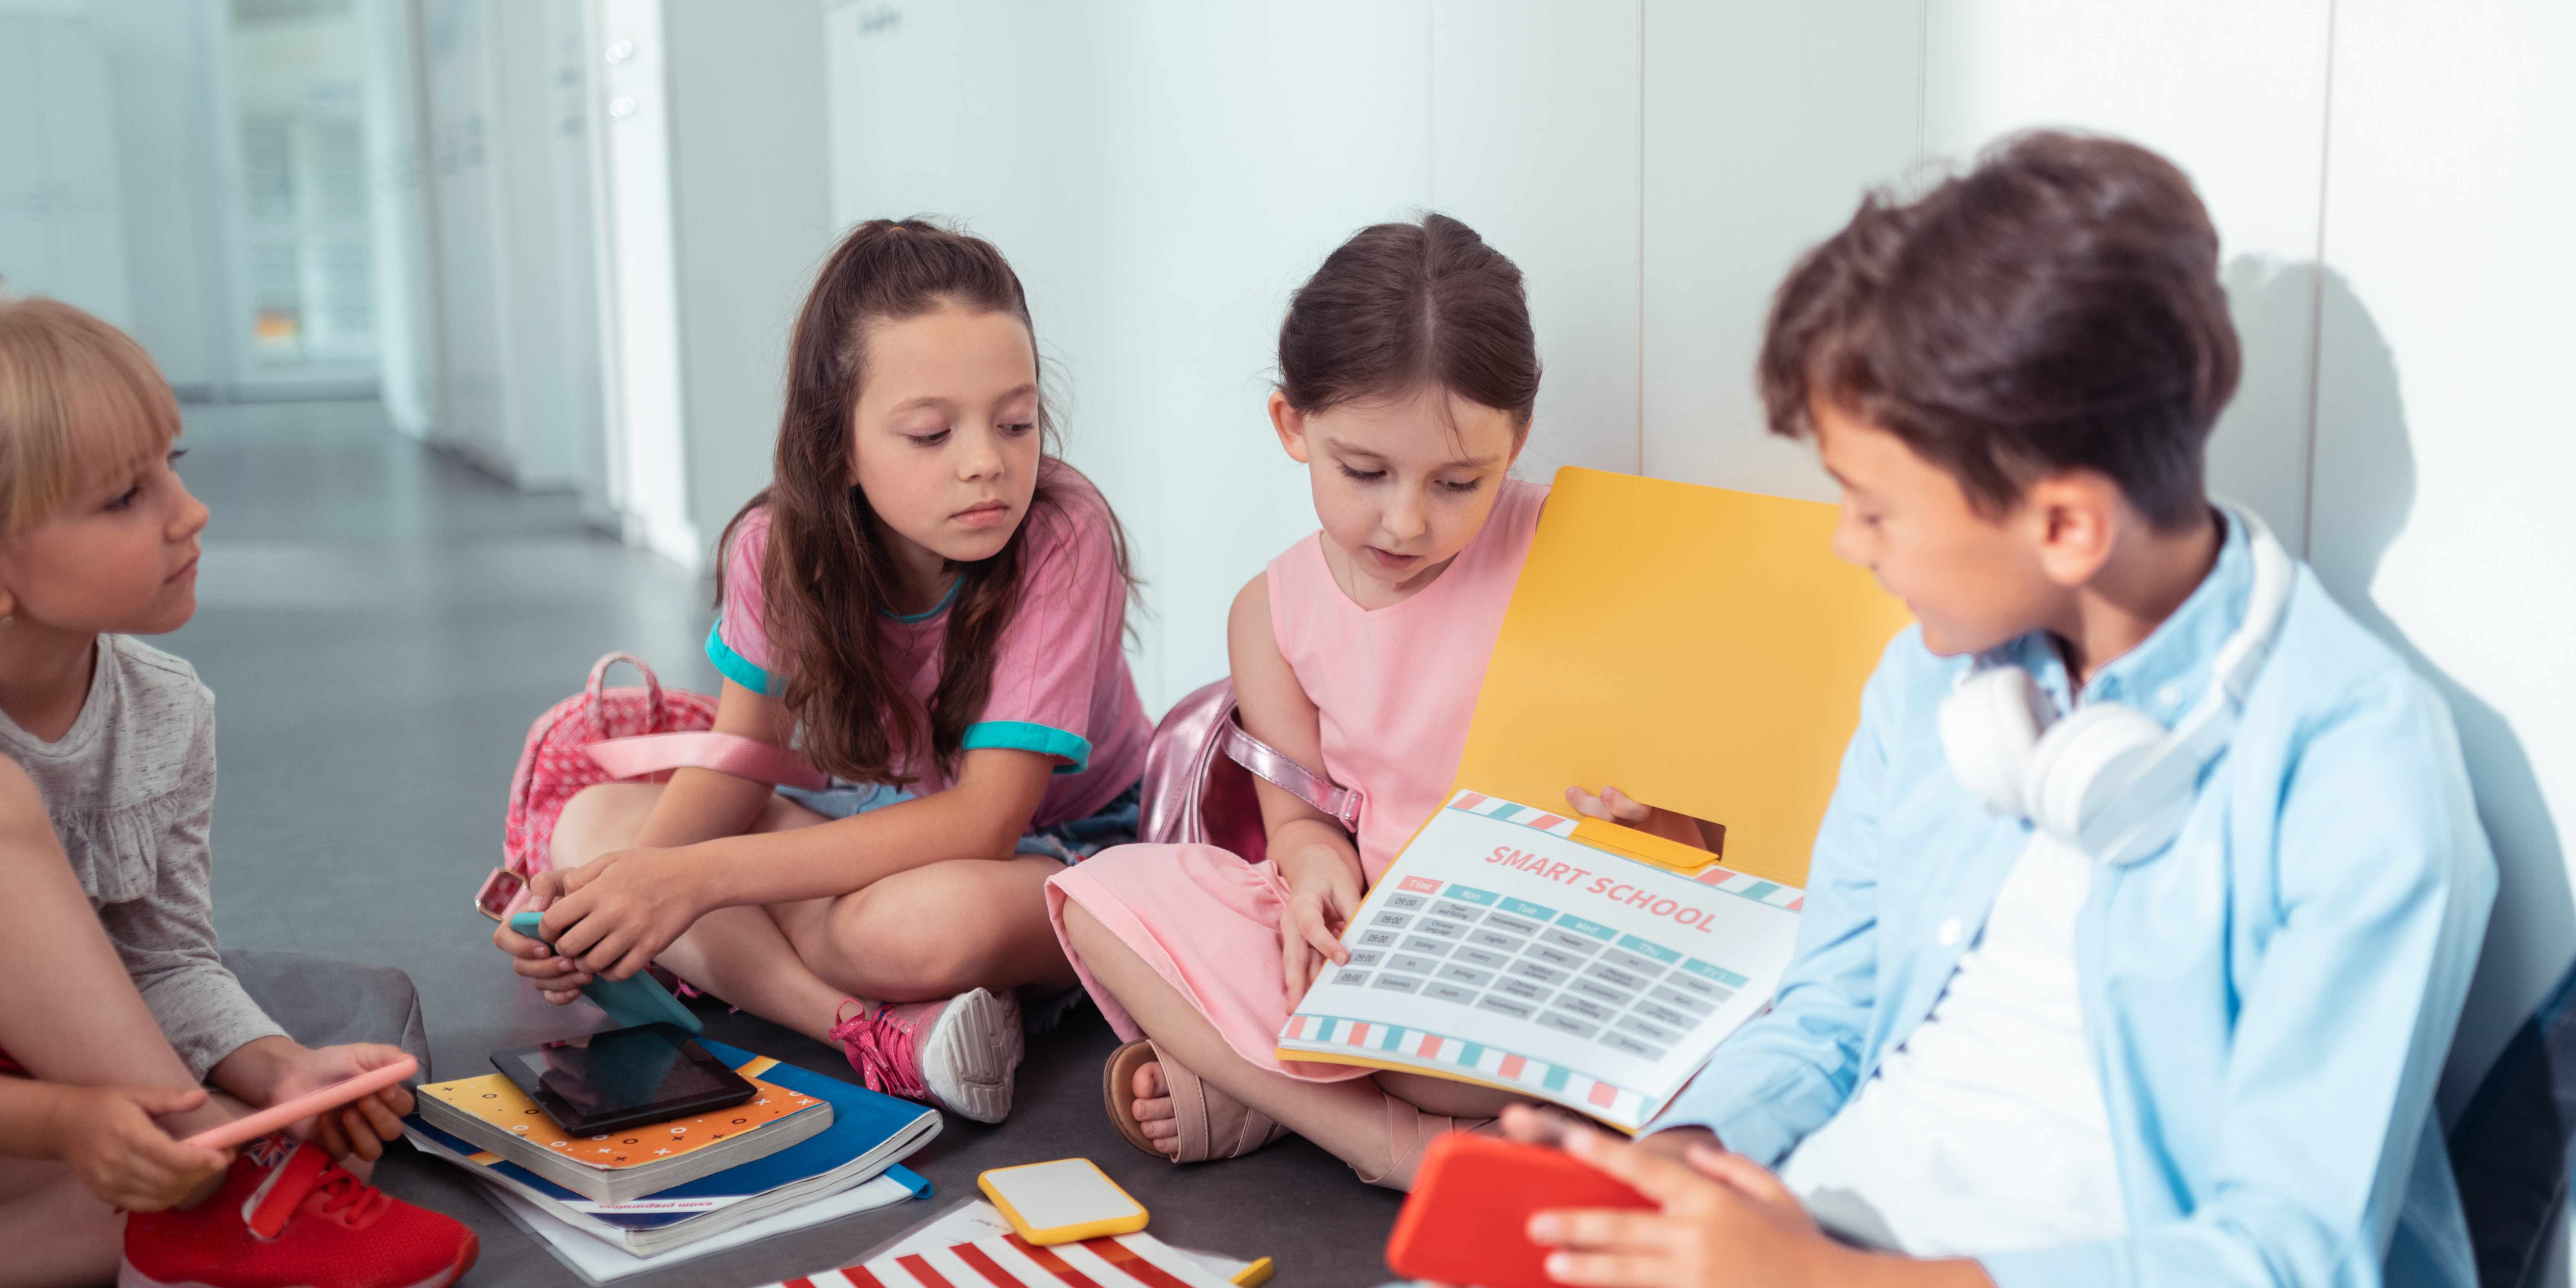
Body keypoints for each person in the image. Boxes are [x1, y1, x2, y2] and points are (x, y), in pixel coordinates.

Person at [1504, 132, 2495, 1288]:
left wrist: (1819, 1281)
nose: (1845, 544)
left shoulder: (2353, 765)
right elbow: (1828, 1014)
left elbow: (2284, 1256)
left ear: (2066, 527)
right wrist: (1676, 1169)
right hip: (1813, 1234)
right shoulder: (1933, 678)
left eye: (1876, 512)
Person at [498, 220, 1149, 1123]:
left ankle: (855, 974)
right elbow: (743, 760)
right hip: (875, 822)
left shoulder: (1061, 534)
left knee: (916, 929)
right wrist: (612, 900)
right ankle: (871, 1032)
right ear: (836, 446)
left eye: (1016, 422)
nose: (986, 463)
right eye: (931, 433)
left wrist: (695, 883)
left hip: (1060, 847)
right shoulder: (774, 546)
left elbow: (988, 820)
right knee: (591, 829)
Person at [1052, 213, 1614, 1188]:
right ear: (1292, 427)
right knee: (1097, 897)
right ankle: (1381, 1134)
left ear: (1515, 440)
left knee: (1469, 1067)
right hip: (1374, 948)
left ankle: (1285, 1101)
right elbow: (1300, 827)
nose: (1406, 519)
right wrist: (1314, 872)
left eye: (1457, 481)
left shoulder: (1568, 545)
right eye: (1365, 473)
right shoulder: (1270, 614)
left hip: (1527, 949)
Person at [0, 297, 474, 1288]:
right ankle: (215, 1202)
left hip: (68, 1094)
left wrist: (276, 1070)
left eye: (173, 467)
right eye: (123, 498)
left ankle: (211, 1201)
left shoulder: (165, 711)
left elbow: (166, 961)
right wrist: (68, 1122)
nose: (190, 512)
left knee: (265, 1143)